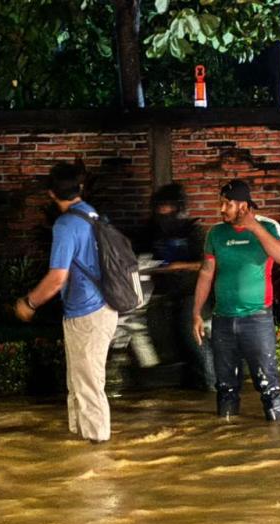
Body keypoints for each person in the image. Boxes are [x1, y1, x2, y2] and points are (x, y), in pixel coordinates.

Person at [14, 163, 118, 443]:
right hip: (104, 308)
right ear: (80, 188)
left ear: (51, 193)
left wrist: (29, 303)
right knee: (80, 385)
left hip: (88, 312)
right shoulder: (95, 215)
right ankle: (81, 449)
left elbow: (57, 278)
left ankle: (97, 454)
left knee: (87, 388)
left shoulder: (66, 224)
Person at [192, 179, 280, 421]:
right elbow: (206, 272)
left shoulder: (268, 227)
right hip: (222, 319)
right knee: (225, 386)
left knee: (268, 385)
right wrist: (196, 313)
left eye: (227, 204)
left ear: (244, 207)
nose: (222, 209)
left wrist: (254, 228)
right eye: (221, 204)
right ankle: (226, 436)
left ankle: (277, 434)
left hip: (257, 319)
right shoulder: (216, 233)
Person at [143, 183, 214, 390]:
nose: (163, 212)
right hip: (164, 295)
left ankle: (212, 384)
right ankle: (192, 386)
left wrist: (178, 266)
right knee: (172, 343)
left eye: (167, 207)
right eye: (159, 207)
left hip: (192, 294)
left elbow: (207, 263)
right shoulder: (152, 231)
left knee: (194, 338)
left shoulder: (193, 231)